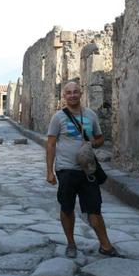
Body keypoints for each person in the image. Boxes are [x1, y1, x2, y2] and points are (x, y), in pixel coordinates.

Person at [46, 81, 121, 258]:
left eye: (75, 92)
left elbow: (100, 138)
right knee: (67, 208)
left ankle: (106, 245)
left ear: (81, 94)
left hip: (88, 170)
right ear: (64, 96)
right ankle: (71, 243)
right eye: (69, 92)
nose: (72, 95)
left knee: (94, 208)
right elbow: (50, 145)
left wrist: (94, 143)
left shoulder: (90, 115)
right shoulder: (58, 118)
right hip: (66, 169)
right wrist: (49, 171)